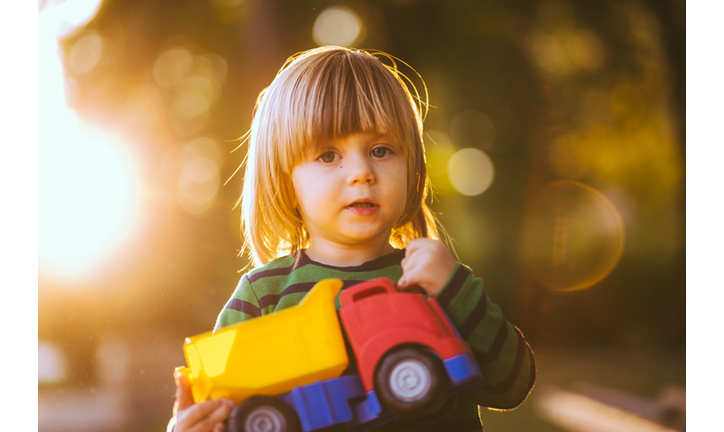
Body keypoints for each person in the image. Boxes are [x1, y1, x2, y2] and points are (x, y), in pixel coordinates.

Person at [169, 46, 535, 432]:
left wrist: (456, 291)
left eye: (381, 150)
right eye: (328, 155)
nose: (361, 172)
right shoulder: (263, 296)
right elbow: (222, 409)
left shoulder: (433, 278)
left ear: (413, 168)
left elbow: (512, 387)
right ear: (285, 179)